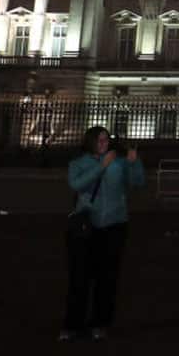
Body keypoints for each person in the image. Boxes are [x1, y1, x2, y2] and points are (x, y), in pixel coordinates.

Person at [60, 126, 145, 342]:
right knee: (79, 278)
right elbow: (77, 184)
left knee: (107, 278)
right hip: (87, 226)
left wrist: (134, 163)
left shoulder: (119, 162)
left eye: (106, 140)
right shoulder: (78, 163)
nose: (104, 144)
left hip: (115, 224)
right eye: (99, 140)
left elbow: (137, 182)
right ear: (90, 142)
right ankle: (72, 324)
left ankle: (100, 323)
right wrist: (101, 167)